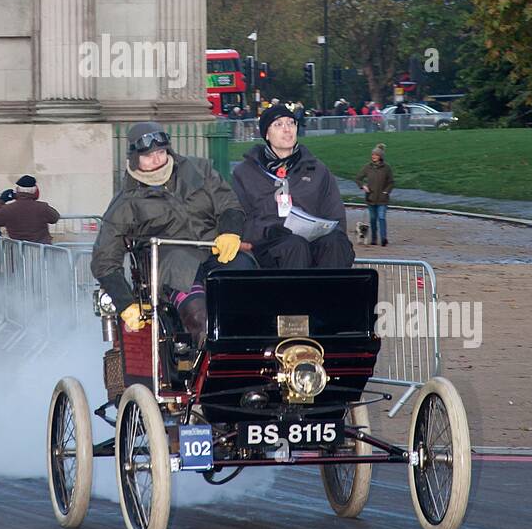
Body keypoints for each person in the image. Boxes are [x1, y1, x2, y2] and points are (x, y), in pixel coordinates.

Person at [91, 121, 251, 348]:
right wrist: (125, 303)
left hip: (215, 251)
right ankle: (203, 365)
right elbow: (104, 259)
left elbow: (229, 203)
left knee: (249, 283)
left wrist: (231, 232)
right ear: (134, 159)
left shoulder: (199, 170)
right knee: (201, 318)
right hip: (172, 266)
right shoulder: (125, 202)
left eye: (160, 152)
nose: (157, 159)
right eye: (148, 155)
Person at [232, 102, 355, 270]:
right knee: (294, 246)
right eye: (278, 124)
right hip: (270, 246)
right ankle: (295, 296)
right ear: (266, 134)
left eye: (291, 123)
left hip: (315, 241)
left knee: (336, 242)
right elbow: (239, 218)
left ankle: (330, 295)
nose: (287, 129)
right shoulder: (245, 173)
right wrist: (267, 231)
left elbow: (335, 215)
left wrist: (328, 229)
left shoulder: (317, 170)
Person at [0, 175, 60, 244]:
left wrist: (1, 200)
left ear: (17, 190)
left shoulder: (9, 208)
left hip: (18, 249)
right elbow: (55, 218)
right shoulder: (42, 207)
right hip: (41, 248)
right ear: (35, 191)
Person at [355, 143, 394, 247]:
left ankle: (383, 238)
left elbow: (391, 182)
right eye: (372, 155)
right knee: (372, 219)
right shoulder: (368, 167)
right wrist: (363, 186)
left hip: (382, 198)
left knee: (381, 217)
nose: (373, 157)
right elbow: (358, 178)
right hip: (371, 198)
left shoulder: (386, 168)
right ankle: (374, 239)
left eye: (376, 155)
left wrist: (386, 191)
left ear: (380, 156)